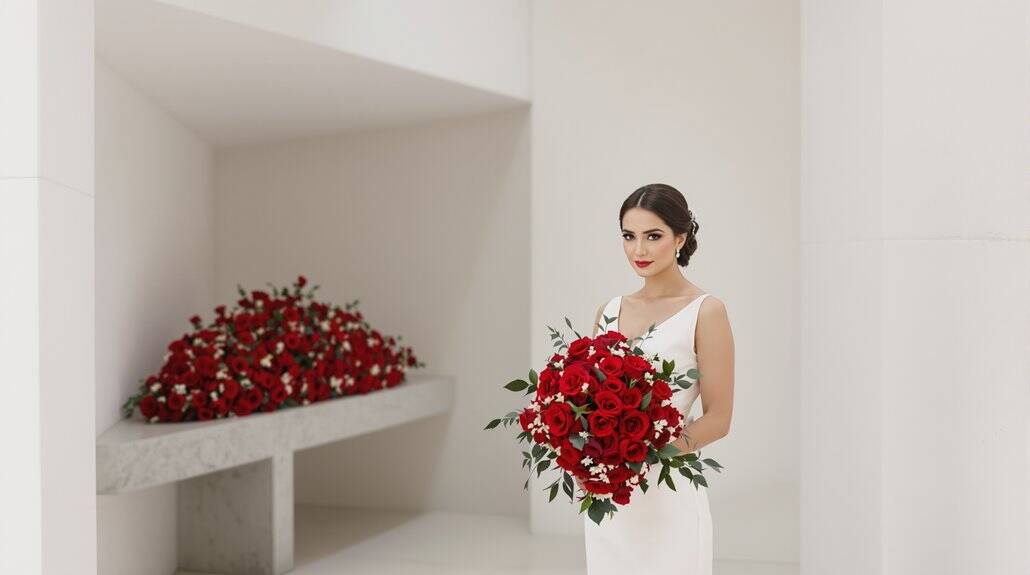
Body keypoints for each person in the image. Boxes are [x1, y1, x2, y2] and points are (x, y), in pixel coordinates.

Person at [581, 183, 735, 575]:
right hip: (613, 495)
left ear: (680, 238)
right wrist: (589, 461)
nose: (639, 250)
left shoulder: (706, 311)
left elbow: (718, 419)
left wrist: (646, 455)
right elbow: (588, 401)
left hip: (670, 492)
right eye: (629, 237)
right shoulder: (610, 310)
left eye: (653, 236)